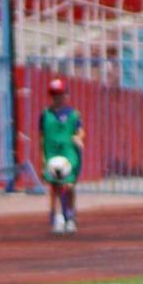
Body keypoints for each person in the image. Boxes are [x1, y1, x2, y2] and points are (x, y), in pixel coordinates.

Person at [41, 77, 84, 234]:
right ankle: (59, 216)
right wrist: (42, 158)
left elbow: (80, 131)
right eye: (54, 94)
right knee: (56, 186)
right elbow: (41, 137)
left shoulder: (73, 114)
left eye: (59, 94)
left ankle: (70, 215)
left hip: (69, 154)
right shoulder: (46, 114)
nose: (57, 98)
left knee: (69, 185)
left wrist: (78, 138)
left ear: (66, 95)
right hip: (53, 154)